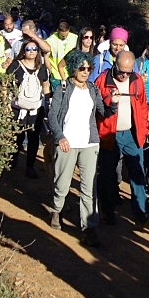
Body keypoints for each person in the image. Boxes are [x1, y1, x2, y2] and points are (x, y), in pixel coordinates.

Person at [47, 50, 107, 247]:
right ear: (73, 68)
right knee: (62, 184)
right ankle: (56, 209)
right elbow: (53, 116)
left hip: (90, 143)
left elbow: (103, 112)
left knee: (89, 188)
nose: (86, 71)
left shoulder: (93, 89)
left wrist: (113, 103)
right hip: (68, 142)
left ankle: (89, 228)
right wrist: (60, 137)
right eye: (82, 68)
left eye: (89, 68)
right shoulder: (62, 88)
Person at [95, 49, 149, 227]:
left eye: (128, 72)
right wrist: (109, 102)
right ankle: (107, 211)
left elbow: (142, 106)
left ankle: (141, 213)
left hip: (132, 134)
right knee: (107, 174)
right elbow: (96, 110)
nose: (124, 76)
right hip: (109, 134)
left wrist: (144, 128)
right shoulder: (102, 81)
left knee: (137, 173)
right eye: (121, 72)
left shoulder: (136, 81)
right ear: (114, 65)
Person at [5, 39, 52, 179]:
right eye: (28, 49)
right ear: (23, 51)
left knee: (33, 137)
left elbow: (46, 86)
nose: (31, 51)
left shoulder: (42, 68)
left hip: (35, 109)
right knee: (16, 135)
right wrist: (6, 103)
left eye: (34, 49)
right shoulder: (15, 66)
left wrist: (47, 104)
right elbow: (5, 84)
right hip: (17, 108)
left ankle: (30, 166)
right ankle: (12, 160)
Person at [46, 20, 78, 91]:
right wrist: (51, 71)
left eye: (67, 35)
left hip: (71, 74)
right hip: (56, 74)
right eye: (62, 36)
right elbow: (46, 57)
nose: (65, 37)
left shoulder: (75, 38)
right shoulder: (50, 40)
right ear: (58, 31)